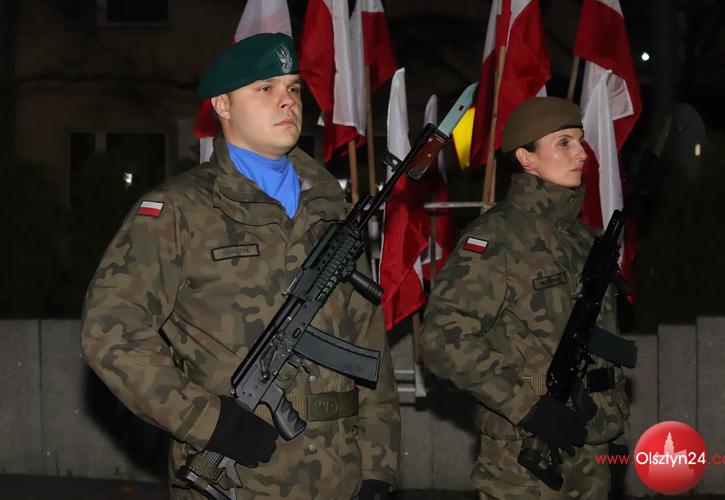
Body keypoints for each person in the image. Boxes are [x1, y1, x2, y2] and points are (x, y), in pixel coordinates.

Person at [81, 33, 400, 500]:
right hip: (245, 481)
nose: (287, 101)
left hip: (341, 477)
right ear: (223, 105)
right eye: (265, 88)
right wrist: (207, 421)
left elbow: (369, 348)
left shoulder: (332, 210)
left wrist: (379, 468)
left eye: (293, 88)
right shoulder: (179, 211)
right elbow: (110, 332)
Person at [419, 96, 630, 499]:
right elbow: (442, 340)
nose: (581, 154)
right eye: (564, 142)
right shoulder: (496, 237)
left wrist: (616, 432)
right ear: (526, 158)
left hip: (593, 447)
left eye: (580, 141)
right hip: (524, 457)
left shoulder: (583, 239)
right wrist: (526, 406)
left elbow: (599, 345)